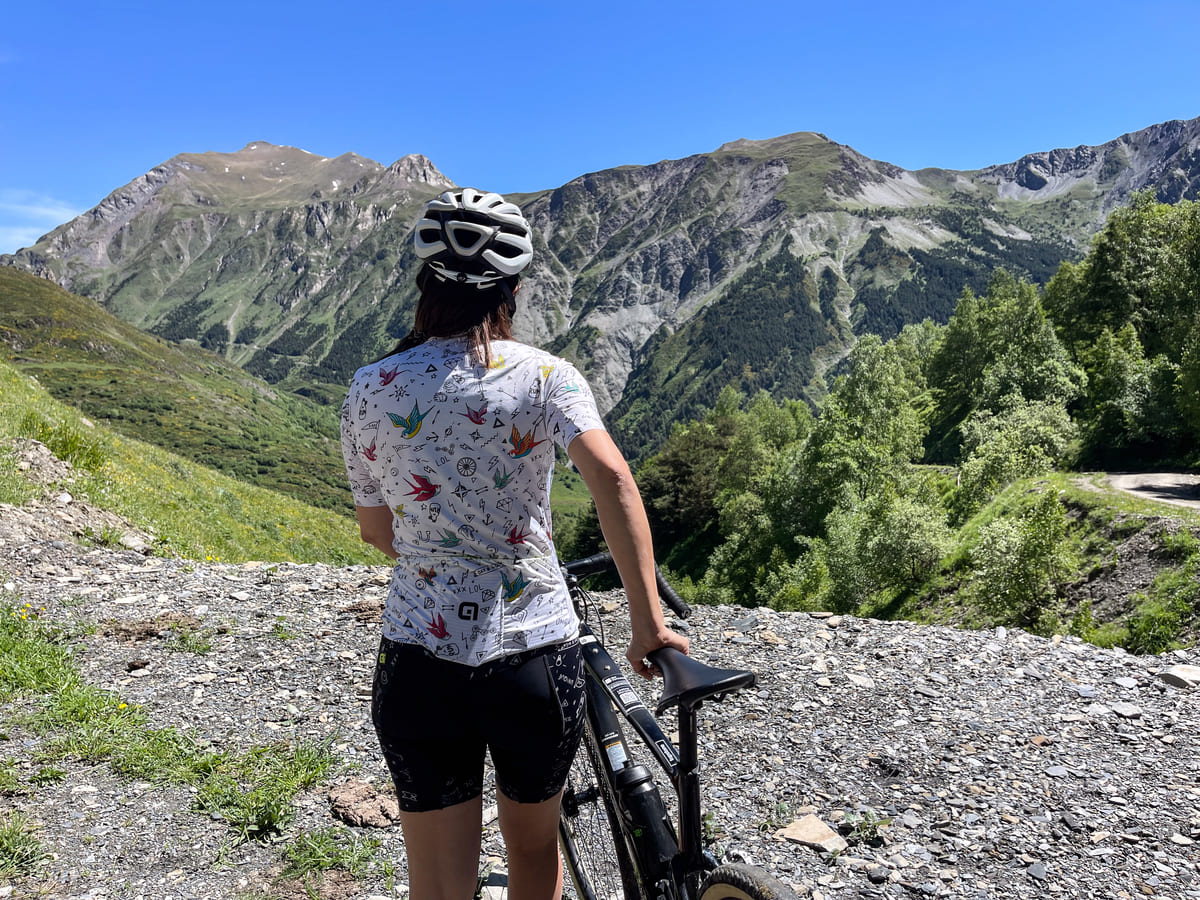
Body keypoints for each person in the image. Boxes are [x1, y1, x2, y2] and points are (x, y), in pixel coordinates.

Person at [340, 187, 689, 900]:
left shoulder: (369, 387)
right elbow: (615, 480)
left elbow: (378, 533)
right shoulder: (548, 377)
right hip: (535, 655)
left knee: (440, 884)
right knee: (533, 853)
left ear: (422, 282)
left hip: (419, 656)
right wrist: (648, 621)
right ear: (514, 288)